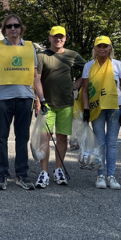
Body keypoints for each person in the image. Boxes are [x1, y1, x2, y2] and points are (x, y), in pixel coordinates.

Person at [0, 15, 45, 191]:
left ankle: (22, 175)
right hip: (2, 99)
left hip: (25, 98)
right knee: (2, 138)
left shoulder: (29, 47)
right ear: (4, 29)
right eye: (9, 26)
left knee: (22, 138)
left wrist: (42, 99)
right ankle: (2, 174)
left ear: (21, 28)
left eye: (16, 25)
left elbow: (35, 77)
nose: (12, 29)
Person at [35, 26, 86, 187]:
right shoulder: (42, 56)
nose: (58, 39)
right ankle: (44, 172)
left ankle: (58, 169)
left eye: (61, 37)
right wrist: (38, 101)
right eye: (55, 36)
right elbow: (36, 79)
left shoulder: (72, 55)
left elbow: (88, 69)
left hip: (66, 104)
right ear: (49, 38)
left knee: (62, 137)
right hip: (47, 104)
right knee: (45, 138)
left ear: (65, 38)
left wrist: (76, 85)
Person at [81, 36, 121, 190]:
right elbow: (85, 90)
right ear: (94, 48)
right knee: (100, 143)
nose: (102, 49)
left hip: (115, 106)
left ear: (110, 48)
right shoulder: (89, 66)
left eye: (105, 46)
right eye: (99, 46)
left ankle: (111, 175)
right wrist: (86, 108)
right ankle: (101, 175)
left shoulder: (118, 65)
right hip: (97, 108)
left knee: (112, 142)